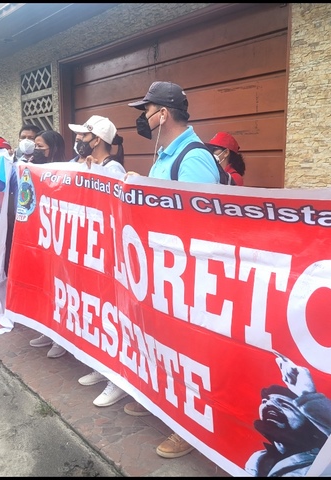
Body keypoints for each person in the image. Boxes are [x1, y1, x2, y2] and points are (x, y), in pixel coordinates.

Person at [123, 80, 219, 459]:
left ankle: (189, 427)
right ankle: (163, 402)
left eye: (146, 111)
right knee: (163, 342)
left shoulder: (193, 158)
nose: (143, 118)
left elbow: (202, 225)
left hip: (187, 275)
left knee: (189, 349)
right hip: (163, 269)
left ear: (163, 114)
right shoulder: (164, 156)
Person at [65, 115, 129, 406]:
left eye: (83, 136)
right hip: (90, 251)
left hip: (108, 255)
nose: (78, 140)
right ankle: (102, 367)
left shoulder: (113, 169)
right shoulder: (84, 164)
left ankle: (118, 379)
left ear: (97, 140)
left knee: (112, 315)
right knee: (97, 313)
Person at [245, 354, 331, 476]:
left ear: (308, 416)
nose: (269, 404)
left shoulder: (325, 458)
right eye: (265, 401)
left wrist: (307, 395)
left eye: (283, 404)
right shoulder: (257, 461)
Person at [26, 129, 68, 358]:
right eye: (35, 146)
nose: (36, 150)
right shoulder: (33, 168)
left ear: (53, 148)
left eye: (40, 146)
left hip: (59, 242)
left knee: (60, 291)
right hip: (41, 238)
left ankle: (61, 338)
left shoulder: (67, 170)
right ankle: (48, 330)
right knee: (45, 290)